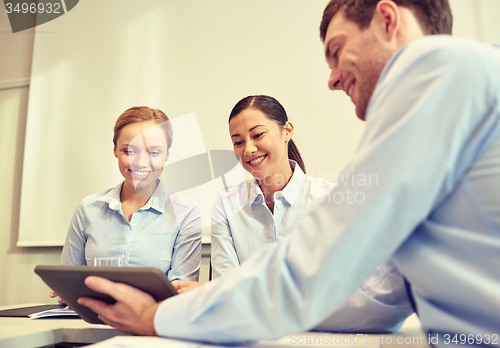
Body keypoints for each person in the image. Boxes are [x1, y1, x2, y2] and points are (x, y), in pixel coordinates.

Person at [78, 0, 500, 345]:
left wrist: (158, 316)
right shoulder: (456, 97)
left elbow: (310, 272)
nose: (332, 79)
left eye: (336, 51)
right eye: (237, 141)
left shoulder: (437, 70)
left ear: (388, 20)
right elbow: (378, 295)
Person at [175, 94, 412, 331]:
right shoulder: (227, 203)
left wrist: (229, 294)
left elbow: (328, 290)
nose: (248, 149)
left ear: (286, 130)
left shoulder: (328, 198)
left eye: (258, 135)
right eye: (238, 142)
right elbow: (224, 284)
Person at [57, 106, 201, 282]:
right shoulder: (88, 209)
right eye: (129, 151)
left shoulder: (185, 212)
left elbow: (183, 292)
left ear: (167, 155)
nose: (140, 162)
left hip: (156, 311)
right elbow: (67, 281)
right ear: (115, 150)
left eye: (154, 152)